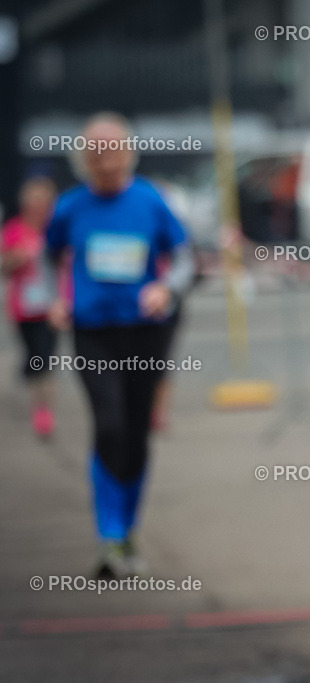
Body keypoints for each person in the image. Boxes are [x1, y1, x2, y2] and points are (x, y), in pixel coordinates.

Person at [45, 112, 195, 578]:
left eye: (113, 151)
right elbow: (50, 257)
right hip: (92, 333)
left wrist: (165, 288)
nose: (105, 161)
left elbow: (186, 258)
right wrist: (56, 297)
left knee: (134, 431)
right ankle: (109, 535)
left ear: (128, 154)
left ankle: (127, 530)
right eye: (96, 153)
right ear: (82, 159)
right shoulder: (70, 207)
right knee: (108, 425)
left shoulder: (151, 200)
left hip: (145, 332)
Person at [1, 177, 59, 438]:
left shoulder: (55, 229)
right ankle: (30, 374)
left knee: (45, 357)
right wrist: (18, 257)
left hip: (52, 306)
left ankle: (43, 410)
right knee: (33, 355)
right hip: (24, 307)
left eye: (43, 202)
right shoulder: (13, 229)